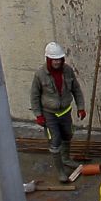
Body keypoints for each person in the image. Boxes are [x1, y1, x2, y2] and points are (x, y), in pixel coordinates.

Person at [29, 42, 84, 182]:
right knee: (55, 141)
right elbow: (34, 95)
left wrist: (81, 107)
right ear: (48, 59)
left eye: (59, 59)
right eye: (54, 59)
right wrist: (39, 115)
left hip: (65, 112)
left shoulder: (68, 71)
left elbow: (76, 89)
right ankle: (61, 171)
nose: (57, 62)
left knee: (68, 135)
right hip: (49, 114)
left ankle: (66, 159)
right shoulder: (40, 75)